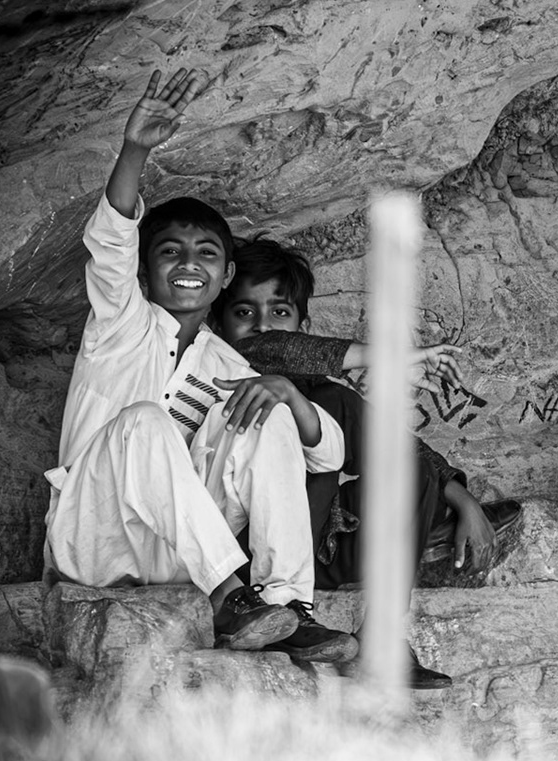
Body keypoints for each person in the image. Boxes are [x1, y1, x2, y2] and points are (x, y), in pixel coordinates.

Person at [42, 69, 357, 662]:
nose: (189, 264)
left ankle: (287, 606)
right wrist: (135, 149)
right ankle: (229, 599)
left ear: (226, 274)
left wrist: (290, 396)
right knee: (145, 421)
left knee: (267, 408)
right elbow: (110, 242)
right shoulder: (119, 323)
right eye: (171, 252)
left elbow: (328, 457)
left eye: (206, 254)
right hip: (92, 540)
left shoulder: (227, 362)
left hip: (177, 553)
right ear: (146, 270)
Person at [213, 238, 524, 689]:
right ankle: (427, 524)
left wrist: (465, 500)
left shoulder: (320, 390)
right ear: (217, 322)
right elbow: (273, 349)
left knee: (405, 467)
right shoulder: (220, 367)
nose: (262, 326)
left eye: (279, 312)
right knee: (333, 404)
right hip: (246, 557)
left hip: (320, 544)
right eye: (244, 312)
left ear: (305, 326)